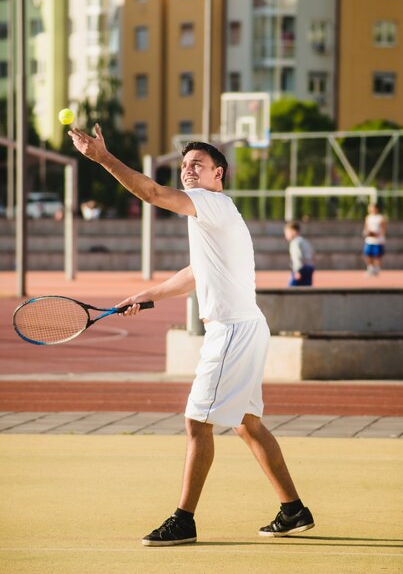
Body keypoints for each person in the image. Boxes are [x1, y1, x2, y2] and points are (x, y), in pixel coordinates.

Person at [69, 124, 315, 547]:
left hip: (232, 333)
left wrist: (103, 158)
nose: (187, 171)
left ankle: (184, 519)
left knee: (196, 421)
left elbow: (150, 193)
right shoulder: (212, 215)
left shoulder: (210, 203)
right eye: (184, 165)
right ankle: (293, 510)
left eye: (197, 165)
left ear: (218, 173)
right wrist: (147, 295)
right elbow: (194, 275)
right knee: (247, 425)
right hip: (247, 328)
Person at [283, 221, 315, 287]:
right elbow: (312, 254)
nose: (285, 235)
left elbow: (297, 256)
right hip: (310, 267)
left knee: (291, 289)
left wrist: (298, 270)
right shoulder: (304, 241)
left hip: (301, 268)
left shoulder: (294, 242)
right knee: (306, 289)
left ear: (293, 232)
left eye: (287, 233)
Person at [362, 203, 386, 276]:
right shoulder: (368, 217)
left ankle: (377, 269)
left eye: (372, 207)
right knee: (367, 254)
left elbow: (383, 230)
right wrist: (366, 233)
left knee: (377, 255)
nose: (370, 209)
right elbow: (366, 228)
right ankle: (370, 268)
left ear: (376, 208)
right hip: (369, 240)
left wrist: (376, 234)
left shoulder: (381, 218)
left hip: (378, 240)